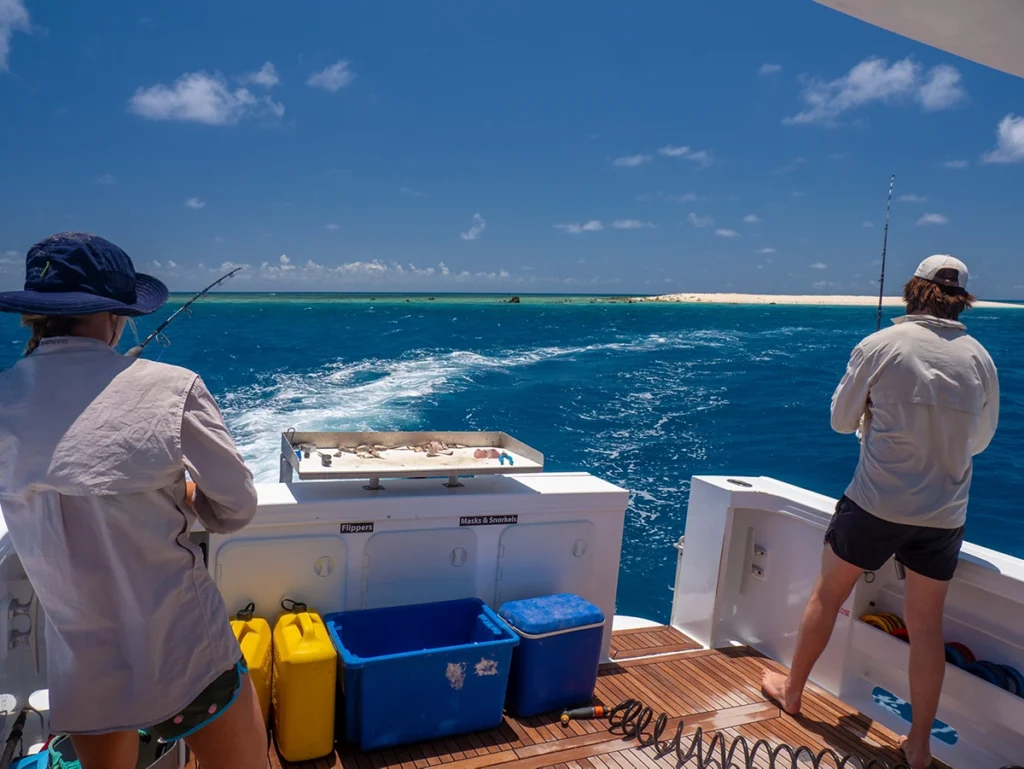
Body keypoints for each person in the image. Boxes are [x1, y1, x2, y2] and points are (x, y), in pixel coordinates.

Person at [0, 233, 269, 769]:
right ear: (115, 315)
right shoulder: (174, 389)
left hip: (86, 671)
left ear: (35, 315)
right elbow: (236, 507)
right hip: (186, 656)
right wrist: (185, 494)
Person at [761, 255, 999, 769]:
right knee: (926, 626)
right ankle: (919, 744)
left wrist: (874, 413)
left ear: (913, 291)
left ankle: (794, 692)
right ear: (962, 299)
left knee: (828, 595)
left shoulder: (881, 344)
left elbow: (841, 422)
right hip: (944, 514)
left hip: (875, 504)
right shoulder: (981, 358)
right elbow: (979, 441)